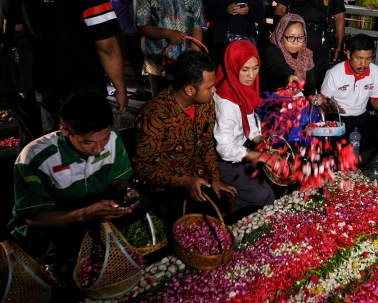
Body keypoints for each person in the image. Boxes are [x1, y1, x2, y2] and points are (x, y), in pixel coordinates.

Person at [7, 92, 148, 280]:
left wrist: (126, 191)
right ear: (65, 130)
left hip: (94, 207)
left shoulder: (112, 137)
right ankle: (58, 266)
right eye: (88, 142)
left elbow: (118, 179)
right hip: (55, 220)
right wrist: (84, 214)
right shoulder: (35, 157)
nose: (98, 149)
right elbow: (33, 218)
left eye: (103, 140)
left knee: (144, 203)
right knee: (52, 242)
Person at [132, 50, 237, 229]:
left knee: (217, 221)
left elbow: (206, 143)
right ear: (189, 89)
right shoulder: (155, 115)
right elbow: (143, 167)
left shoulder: (205, 104)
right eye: (209, 86)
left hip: (198, 179)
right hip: (167, 188)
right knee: (184, 228)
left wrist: (216, 178)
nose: (215, 90)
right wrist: (183, 181)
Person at [18, 0, 128, 132]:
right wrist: (120, 89)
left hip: (45, 82)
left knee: (56, 141)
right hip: (85, 85)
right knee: (92, 141)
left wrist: (22, 78)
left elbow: (18, 34)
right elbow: (107, 46)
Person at [214, 40, 275, 210]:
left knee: (270, 187)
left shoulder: (241, 88)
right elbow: (225, 148)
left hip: (241, 151)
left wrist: (258, 139)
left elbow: (248, 116)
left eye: (255, 68)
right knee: (265, 196)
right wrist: (261, 156)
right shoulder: (226, 102)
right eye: (245, 69)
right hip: (223, 161)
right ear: (233, 67)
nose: (251, 76)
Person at [318, 33, 378, 152]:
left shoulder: (375, 72)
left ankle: (352, 150)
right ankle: (346, 151)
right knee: (330, 144)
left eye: (368, 59)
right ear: (349, 54)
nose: (363, 64)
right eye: (359, 58)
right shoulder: (334, 73)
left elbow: (375, 101)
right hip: (337, 117)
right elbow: (321, 102)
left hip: (362, 116)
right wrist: (331, 107)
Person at [136, 0, 206, 97]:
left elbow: (197, 27)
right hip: (157, 62)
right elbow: (142, 27)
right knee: (161, 102)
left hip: (185, 62)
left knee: (184, 102)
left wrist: (194, 60)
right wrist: (167, 34)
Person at [274, 0, 346, 90]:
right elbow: (280, 8)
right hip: (297, 37)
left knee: (320, 77)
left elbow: (339, 15)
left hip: (322, 38)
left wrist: (340, 44)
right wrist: (279, 36)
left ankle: (313, 100)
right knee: (295, 74)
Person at [1, 0, 43, 153]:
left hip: (25, 70)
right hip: (31, 70)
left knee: (30, 127)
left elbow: (11, 31)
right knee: (34, 128)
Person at [261, 13, 317, 96]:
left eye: (300, 37)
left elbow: (309, 87)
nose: (296, 42)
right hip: (273, 101)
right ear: (280, 35)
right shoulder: (272, 51)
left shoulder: (306, 55)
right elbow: (274, 70)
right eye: (291, 37)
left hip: (298, 102)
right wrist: (287, 78)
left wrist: (313, 98)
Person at [205, 0, 264, 66]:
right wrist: (226, 10)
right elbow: (209, 13)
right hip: (221, 42)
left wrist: (248, 12)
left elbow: (260, 15)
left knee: (246, 70)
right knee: (221, 72)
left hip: (247, 41)